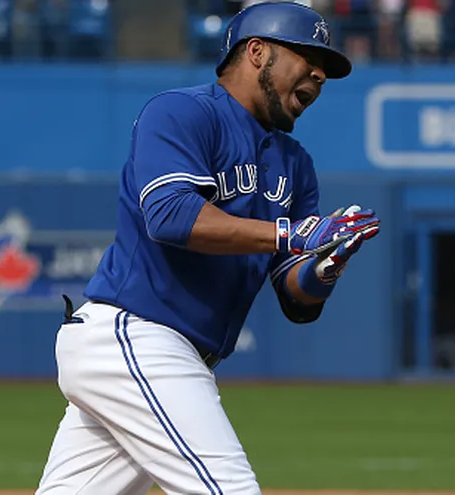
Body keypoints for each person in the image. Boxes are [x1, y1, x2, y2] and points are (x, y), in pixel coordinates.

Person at [34, 2, 381, 494]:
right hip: (136, 337)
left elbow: (294, 297)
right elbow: (170, 216)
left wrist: (325, 266)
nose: (318, 75)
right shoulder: (183, 112)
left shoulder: (296, 165)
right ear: (257, 52)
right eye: (307, 57)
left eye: (324, 69)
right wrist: (293, 234)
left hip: (166, 356)